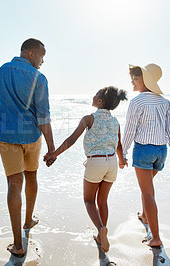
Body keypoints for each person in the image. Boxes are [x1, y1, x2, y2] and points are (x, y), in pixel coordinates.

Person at [44, 86, 127, 253]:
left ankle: (101, 229)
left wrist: (54, 154)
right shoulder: (115, 121)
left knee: (89, 200)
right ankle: (101, 234)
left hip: (95, 162)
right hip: (111, 162)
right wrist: (121, 160)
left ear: (100, 101)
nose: (93, 95)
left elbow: (71, 140)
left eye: (96, 94)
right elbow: (118, 145)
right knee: (102, 201)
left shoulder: (88, 119)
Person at [0, 38, 55, 257]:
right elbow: (43, 115)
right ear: (31, 54)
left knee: (14, 184)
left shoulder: (0, 72)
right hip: (31, 136)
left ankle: (18, 245)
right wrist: (51, 147)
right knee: (31, 175)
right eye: (41, 56)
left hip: (7, 135)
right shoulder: (39, 78)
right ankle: (28, 220)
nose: (42, 61)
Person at [121, 63, 170, 247]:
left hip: (143, 151)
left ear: (146, 80)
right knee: (147, 188)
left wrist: (122, 153)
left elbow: (130, 130)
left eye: (136, 78)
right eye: (132, 78)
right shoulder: (165, 102)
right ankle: (145, 215)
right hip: (161, 152)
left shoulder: (137, 102)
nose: (132, 81)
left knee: (147, 192)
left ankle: (155, 237)